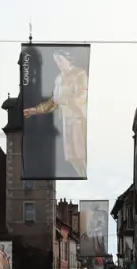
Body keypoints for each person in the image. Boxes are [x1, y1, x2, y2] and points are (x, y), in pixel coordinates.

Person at [23, 50, 89, 178]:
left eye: (60, 60)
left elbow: (82, 97)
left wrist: (65, 100)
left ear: (68, 59)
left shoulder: (80, 74)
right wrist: (36, 110)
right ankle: (82, 174)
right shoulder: (59, 78)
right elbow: (54, 101)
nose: (58, 63)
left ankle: (85, 174)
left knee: (79, 154)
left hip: (78, 120)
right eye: (56, 61)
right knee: (72, 156)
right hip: (66, 121)